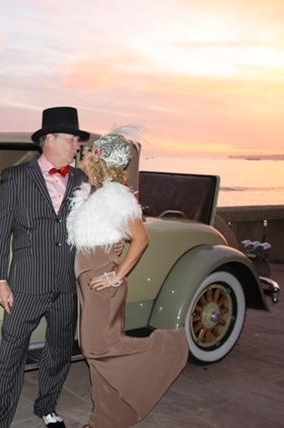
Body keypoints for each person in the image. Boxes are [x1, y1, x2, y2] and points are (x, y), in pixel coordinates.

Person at [67, 131, 189, 428]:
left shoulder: (113, 195)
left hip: (102, 280)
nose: (83, 155)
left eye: (89, 152)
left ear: (100, 158)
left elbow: (141, 238)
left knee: (98, 348)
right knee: (97, 355)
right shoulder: (96, 192)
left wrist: (116, 275)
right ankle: (107, 419)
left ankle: (169, 347)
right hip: (90, 279)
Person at [0, 106, 89, 428]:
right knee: (10, 356)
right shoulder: (16, 177)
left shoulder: (81, 180)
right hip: (26, 285)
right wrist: (0, 280)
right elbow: (1, 231)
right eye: (72, 139)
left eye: (78, 140)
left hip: (66, 285)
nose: (77, 145)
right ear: (50, 139)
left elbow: (87, 228)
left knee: (59, 352)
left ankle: (47, 406)